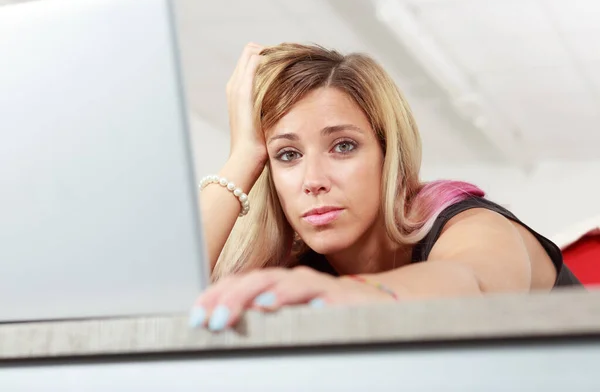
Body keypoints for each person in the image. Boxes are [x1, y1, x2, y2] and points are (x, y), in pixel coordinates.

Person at [190, 42, 581, 332]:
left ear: (387, 153)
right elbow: (157, 307)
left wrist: (356, 293)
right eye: (288, 155)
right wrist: (242, 157)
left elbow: (470, 284)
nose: (313, 182)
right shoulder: (297, 267)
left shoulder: (468, 225)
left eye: (343, 146)